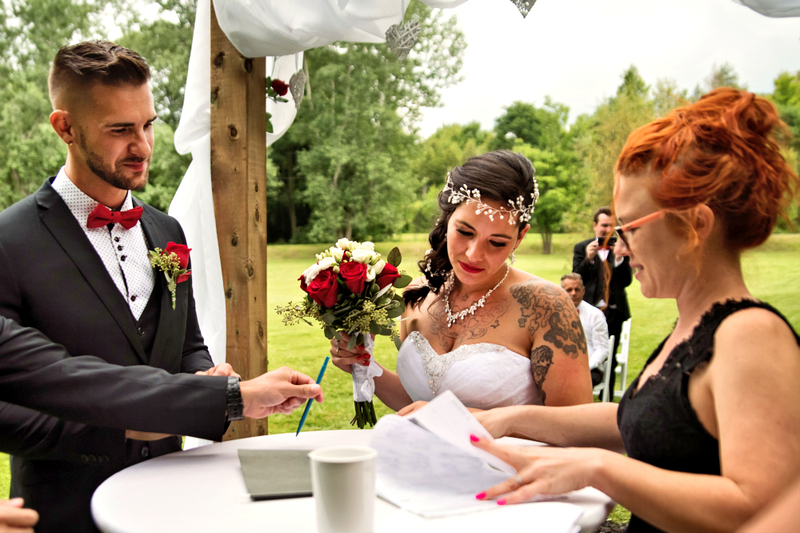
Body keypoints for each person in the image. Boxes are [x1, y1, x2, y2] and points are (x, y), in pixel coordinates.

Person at [470, 88, 800, 533]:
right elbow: (644, 417)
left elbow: (760, 505)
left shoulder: (750, 335)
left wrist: (598, 469)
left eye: (629, 228)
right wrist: (505, 418)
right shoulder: (694, 326)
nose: (619, 246)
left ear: (695, 226)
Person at [0, 40, 232, 532]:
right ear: (65, 126)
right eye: (120, 130)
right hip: (64, 511)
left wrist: (204, 377)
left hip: (173, 497)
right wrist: (119, 431)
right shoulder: (8, 240)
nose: (144, 147)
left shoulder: (168, 232)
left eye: (148, 124)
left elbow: (186, 343)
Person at [331, 150, 593, 412]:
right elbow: (420, 402)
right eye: (465, 231)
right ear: (447, 220)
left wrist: (466, 418)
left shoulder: (545, 305)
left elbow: (577, 428)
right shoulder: (416, 295)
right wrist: (365, 366)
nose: (474, 254)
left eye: (497, 242)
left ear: (520, 236)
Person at [573, 206, 632, 391]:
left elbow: (626, 281)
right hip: (589, 312)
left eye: (611, 226)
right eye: (604, 225)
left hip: (614, 312)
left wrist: (620, 260)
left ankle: (605, 396)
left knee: (611, 356)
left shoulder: (620, 248)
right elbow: (576, 279)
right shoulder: (582, 247)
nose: (607, 229)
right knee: (583, 351)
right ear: (595, 226)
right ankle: (582, 390)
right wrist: (588, 259)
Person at [561, 273, 609, 387]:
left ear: (583, 291)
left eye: (577, 289)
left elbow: (602, 349)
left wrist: (586, 367)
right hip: (562, 366)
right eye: (569, 290)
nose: (573, 293)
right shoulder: (554, 314)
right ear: (561, 291)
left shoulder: (595, 315)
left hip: (590, 368)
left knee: (576, 384)